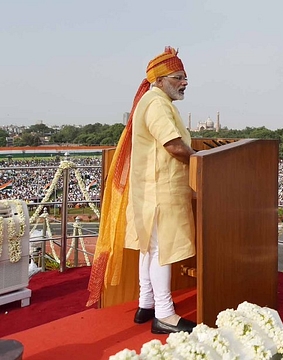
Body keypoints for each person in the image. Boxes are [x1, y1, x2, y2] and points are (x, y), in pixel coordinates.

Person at [87, 46, 197, 335]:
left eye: (185, 77)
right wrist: (202, 161)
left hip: (149, 192)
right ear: (159, 80)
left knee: (149, 249)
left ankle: (146, 303)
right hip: (160, 192)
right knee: (161, 250)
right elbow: (173, 145)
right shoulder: (158, 103)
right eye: (178, 77)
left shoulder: (150, 101)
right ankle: (164, 314)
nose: (184, 82)